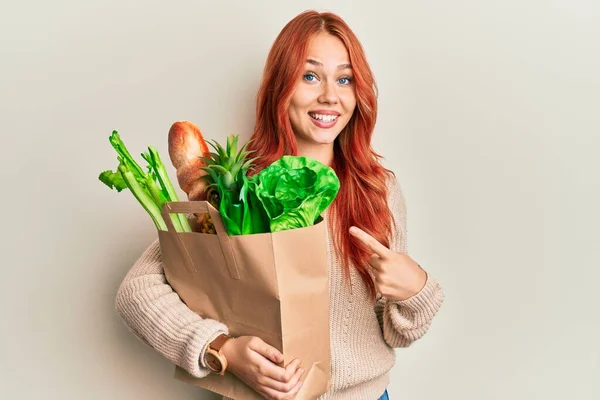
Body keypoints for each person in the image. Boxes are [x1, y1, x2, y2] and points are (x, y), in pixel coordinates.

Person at [115, 10, 445, 400]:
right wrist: (221, 350)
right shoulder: (235, 189)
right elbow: (135, 292)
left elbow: (395, 330)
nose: (329, 95)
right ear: (279, 87)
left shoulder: (378, 188)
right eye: (310, 76)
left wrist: (415, 290)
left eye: (344, 79)